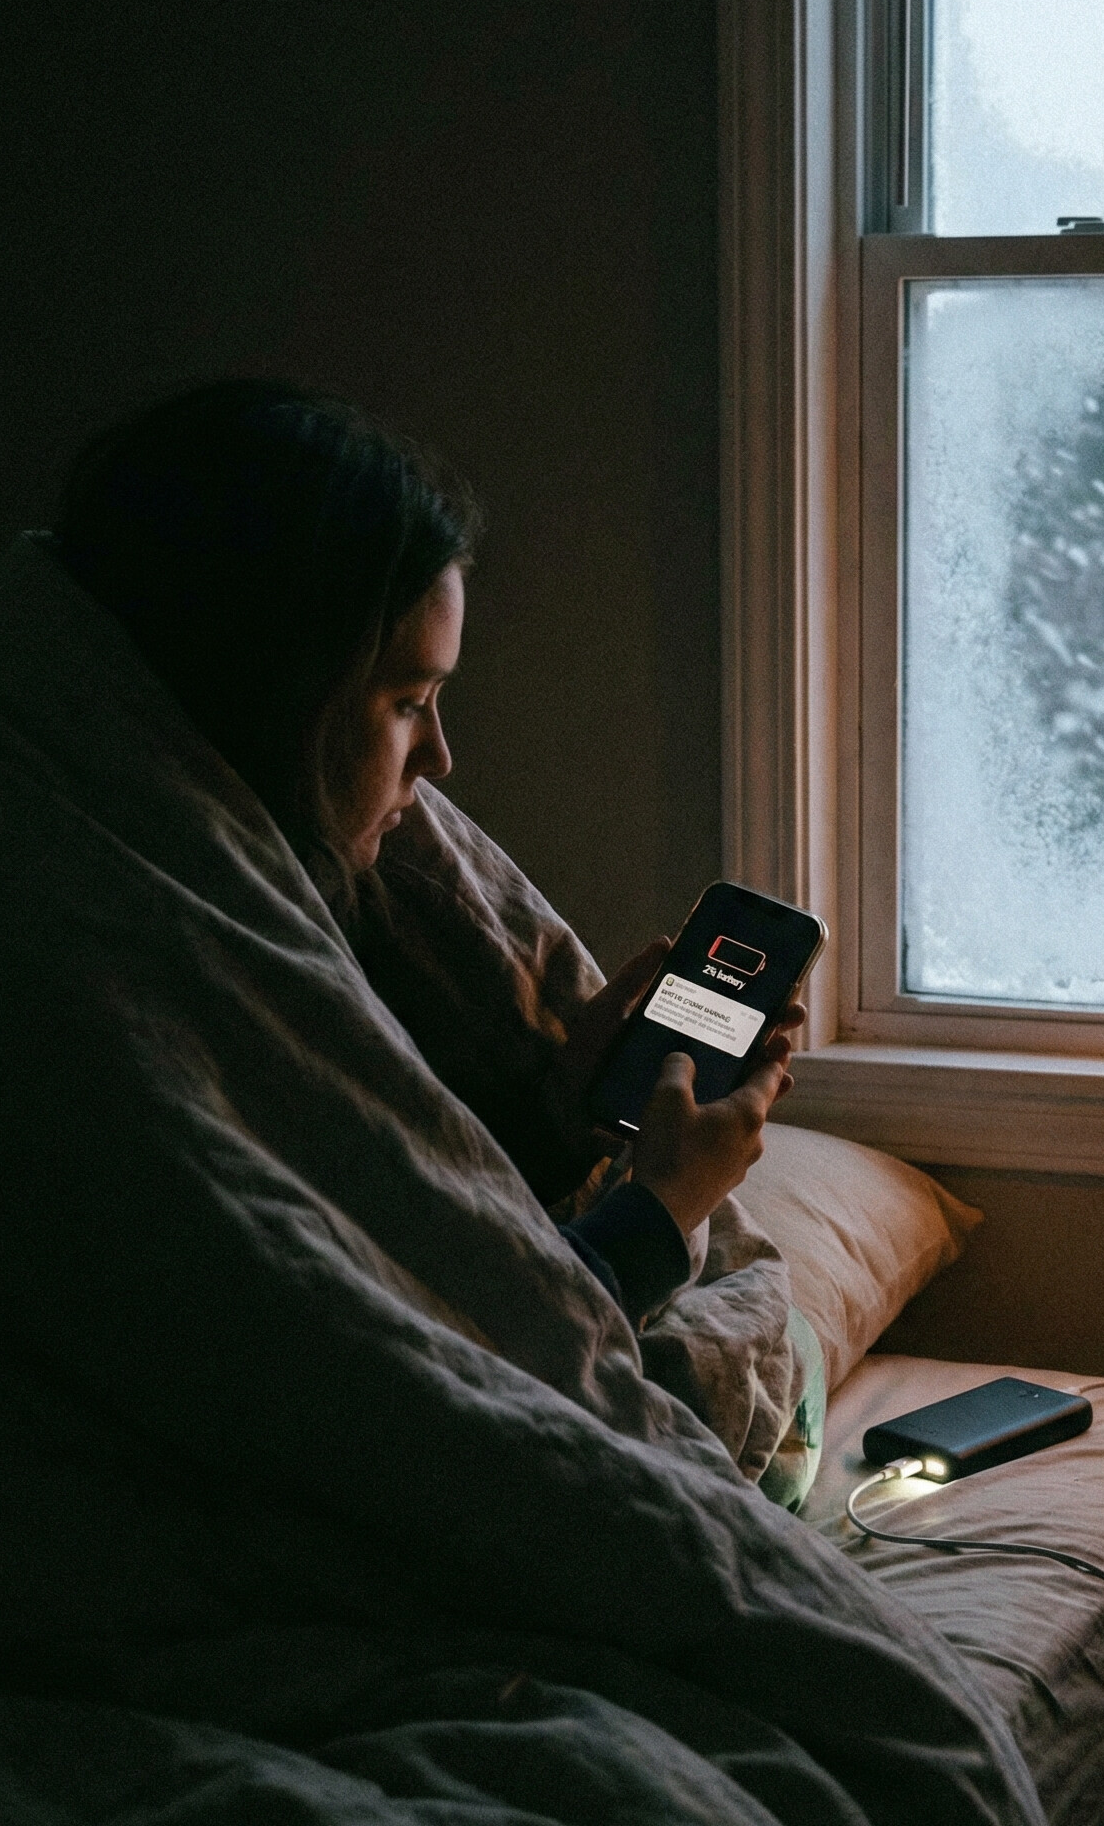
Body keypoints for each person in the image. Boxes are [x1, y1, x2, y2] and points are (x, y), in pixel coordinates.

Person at [52, 377, 801, 1323]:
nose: (440, 758)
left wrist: (558, 1123)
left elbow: (397, 1229)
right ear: (283, 693)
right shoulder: (142, 982)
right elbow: (446, 1350)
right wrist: (663, 1208)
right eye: (408, 703)